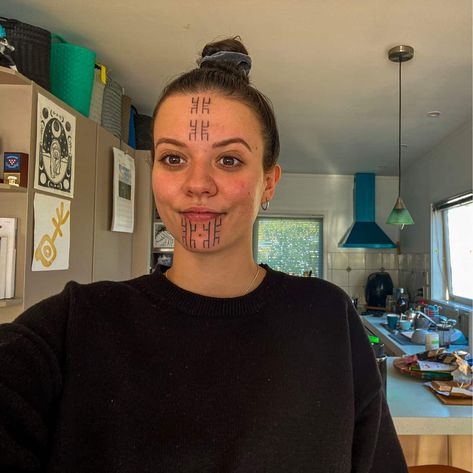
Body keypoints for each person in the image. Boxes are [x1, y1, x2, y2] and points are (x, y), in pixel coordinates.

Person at [0, 37, 408, 472]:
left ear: (268, 183)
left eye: (229, 160)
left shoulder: (328, 318)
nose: (197, 183)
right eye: (174, 158)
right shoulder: (74, 323)